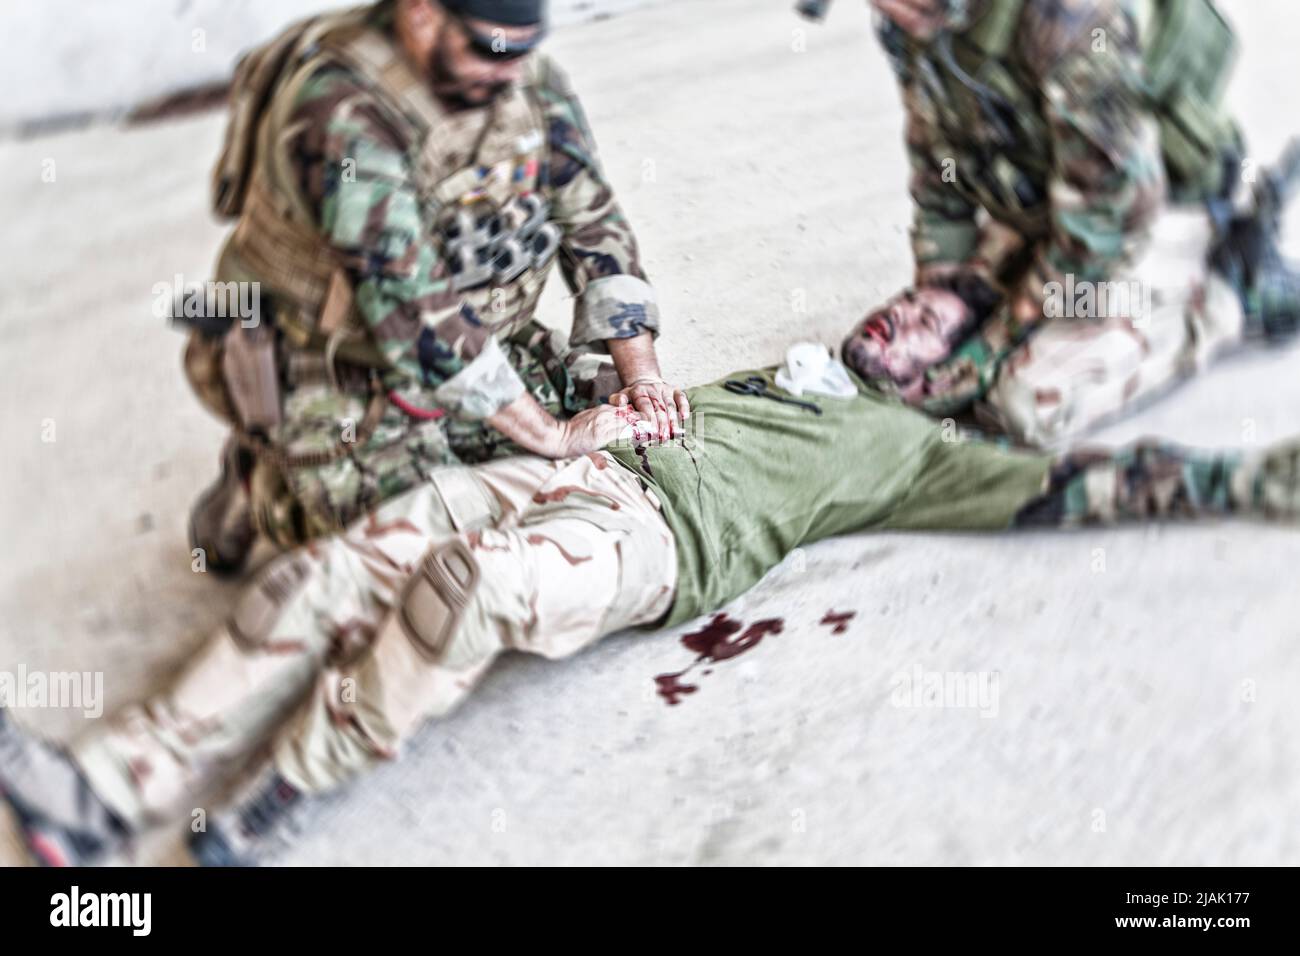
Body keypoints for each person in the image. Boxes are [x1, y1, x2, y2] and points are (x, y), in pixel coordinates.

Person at [4, 361, 1296, 866]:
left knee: (473, 593)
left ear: (972, 389)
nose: (915, 320)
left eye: (951, 329)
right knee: (325, 577)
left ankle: (271, 802)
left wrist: (1241, 479)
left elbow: (1086, 486)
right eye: (915, 305)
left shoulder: (919, 447)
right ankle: (106, 790)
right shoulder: (801, 366)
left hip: (651, 539)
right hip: (575, 467)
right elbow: (600, 367)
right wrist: (602, 402)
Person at [184, 0, 688, 573]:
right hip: (337, 367)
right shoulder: (340, 105)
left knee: (629, 441)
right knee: (423, 557)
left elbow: (594, 222)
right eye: (492, 51)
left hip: (478, 344)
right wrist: (551, 435)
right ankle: (264, 481)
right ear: (421, 14)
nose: (511, 75)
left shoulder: (525, 79)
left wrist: (641, 376)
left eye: (523, 51)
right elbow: (409, 304)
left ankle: (473, 435)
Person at [814, 0, 1300, 445]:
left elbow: (1110, 214)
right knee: (912, 355)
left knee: (1025, 403)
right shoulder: (908, 19)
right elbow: (937, 162)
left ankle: (1229, 289)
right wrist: (944, 283)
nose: (888, 10)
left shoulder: (1067, 14)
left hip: (1150, 214)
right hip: (1051, 203)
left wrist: (992, 346)